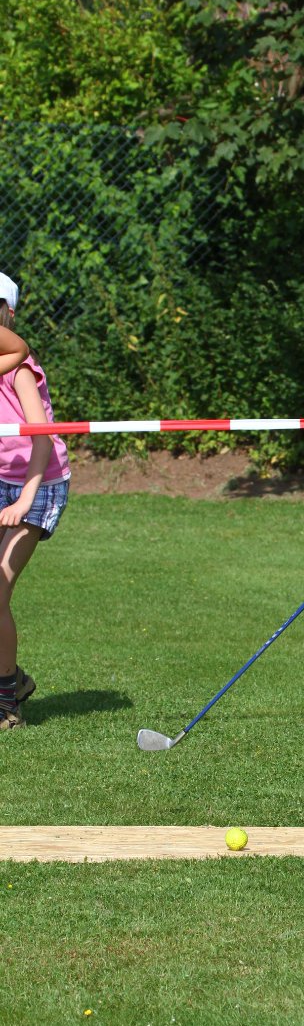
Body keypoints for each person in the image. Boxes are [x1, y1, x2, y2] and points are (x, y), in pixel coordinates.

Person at [0, 272, 71, 732]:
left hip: (39, 483)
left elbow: (41, 437)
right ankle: (17, 681)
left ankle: (7, 697)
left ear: (8, 314)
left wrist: (26, 495)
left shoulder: (20, 368)